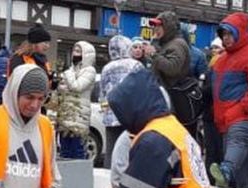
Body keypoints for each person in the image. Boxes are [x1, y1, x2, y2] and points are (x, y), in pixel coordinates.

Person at [207, 13, 248, 188]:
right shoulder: (221, 60)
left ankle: (226, 171)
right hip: (227, 119)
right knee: (245, 166)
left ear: (239, 32)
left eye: (229, 33)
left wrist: (243, 108)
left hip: (246, 116)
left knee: (237, 143)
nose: (226, 38)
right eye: (223, 35)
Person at [99, 35, 143, 169]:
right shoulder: (135, 65)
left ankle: (108, 182)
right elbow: (143, 89)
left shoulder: (106, 68)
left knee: (111, 152)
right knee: (130, 152)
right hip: (131, 116)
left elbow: (102, 94)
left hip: (111, 115)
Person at [55, 41, 96, 159]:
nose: (74, 54)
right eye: (74, 51)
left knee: (77, 151)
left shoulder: (89, 70)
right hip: (65, 115)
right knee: (64, 151)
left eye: (78, 51)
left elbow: (77, 87)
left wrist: (68, 75)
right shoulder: (71, 70)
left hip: (79, 117)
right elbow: (61, 88)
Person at [145, 12, 190, 89]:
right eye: (155, 26)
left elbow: (172, 68)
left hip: (171, 94)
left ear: (168, 27)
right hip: (159, 90)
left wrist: (153, 54)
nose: (156, 29)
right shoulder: (165, 42)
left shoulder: (177, 44)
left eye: (159, 26)